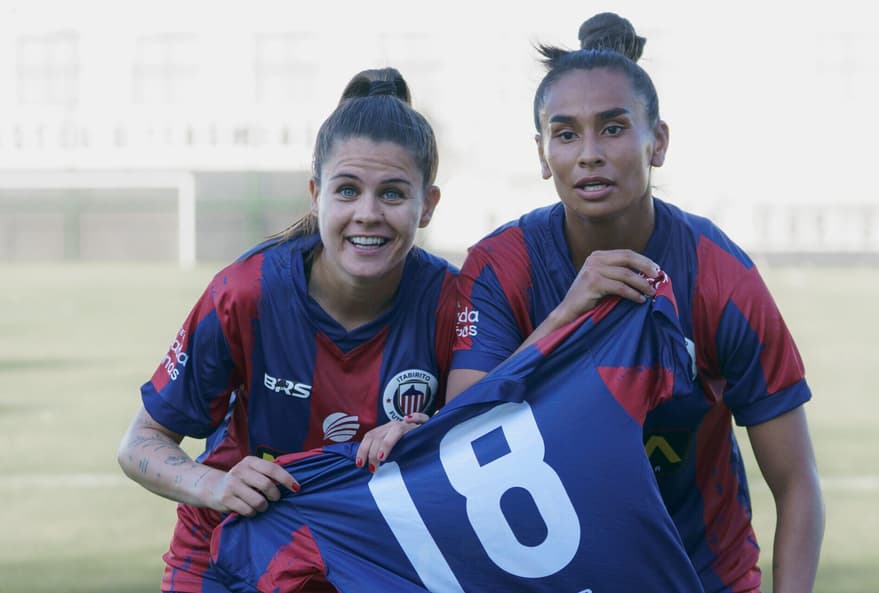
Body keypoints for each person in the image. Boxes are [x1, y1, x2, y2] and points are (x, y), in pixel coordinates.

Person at [358, 12, 825, 593]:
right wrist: (567, 316)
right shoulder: (502, 267)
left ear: (657, 142)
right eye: (565, 132)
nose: (588, 154)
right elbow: (464, 437)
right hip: (556, 575)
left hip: (702, 576)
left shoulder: (719, 275)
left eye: (612, 128)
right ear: (541, 152)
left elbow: (797, 482)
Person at [116, 67, 458, 593]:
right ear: (316, 195)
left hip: (370, 558)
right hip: (226, 555)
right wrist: (216, 483)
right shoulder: (246, 294)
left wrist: (431, 433)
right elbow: (140, 443)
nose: (367, 214)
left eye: (392, 194)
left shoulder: (453, 303)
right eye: (347, 191)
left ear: (427, 205)